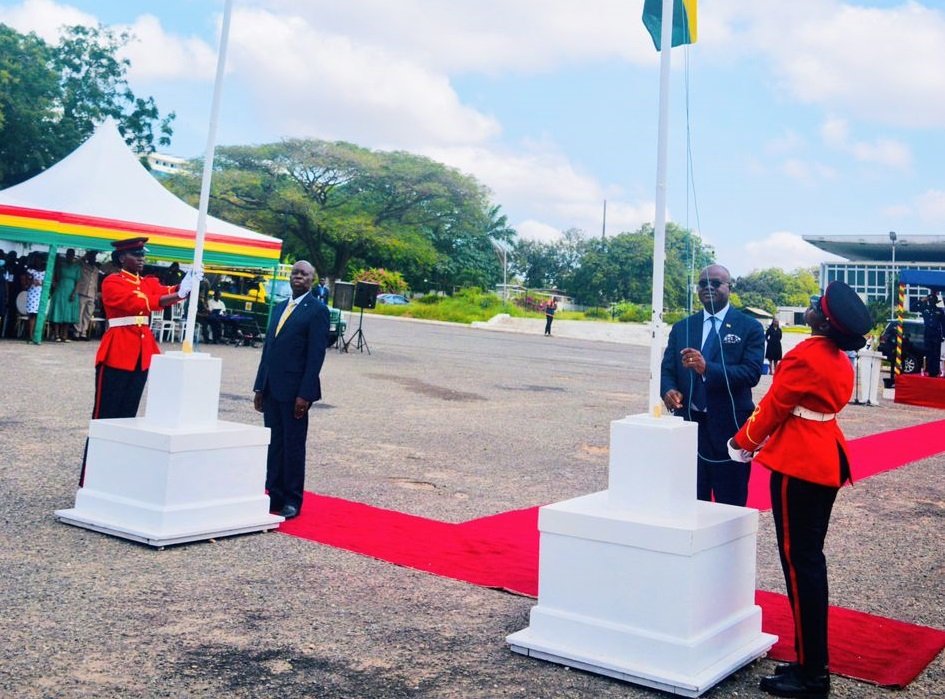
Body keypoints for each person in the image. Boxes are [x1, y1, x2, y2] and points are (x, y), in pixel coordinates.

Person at [727, 281, 872, 698]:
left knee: (801, 565)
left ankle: (812, 675)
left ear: (824, 322)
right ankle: (811, 661)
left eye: (816, 307)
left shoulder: (808, 354)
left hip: (801, 464)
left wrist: (742, 443)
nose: (810, 308)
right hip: (825, 456)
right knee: (808, 562)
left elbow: (774, 405)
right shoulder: (838, 357)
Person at [79, 237, 198, 485]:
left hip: (139, 355)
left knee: (127, 418)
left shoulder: (145, 282)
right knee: (105, 417)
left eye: (143, 254)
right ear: (122, 258)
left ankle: (116, 475)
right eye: (136, 254)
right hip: (117, 352)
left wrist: (184, 286)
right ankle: (91, 479)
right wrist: (178, 293)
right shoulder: (113, 281)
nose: (142, 258)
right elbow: (141, 303)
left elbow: (162, 292)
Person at [660, 264, 765, 506]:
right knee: (688, 501)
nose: (708, 287)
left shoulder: (749, 327)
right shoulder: (683, 327)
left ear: (729, 287)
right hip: (688, 426)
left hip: (730, 428)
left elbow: (751, 374)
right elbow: (667, 370)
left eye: (715, 283)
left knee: (730, 503)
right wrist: (668, 390)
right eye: (703, 283)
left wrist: (708, 368)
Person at [253, 261, 330, 519]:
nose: (298, 276)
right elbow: (269, 350)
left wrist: (306, 394)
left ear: (312, 279)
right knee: (274, 444)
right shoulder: (278, 308)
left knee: (293, 446)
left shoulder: (317, 310)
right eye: (295, 273)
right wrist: (259, 386)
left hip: (295, 390)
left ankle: (292, 499)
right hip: (272, 388)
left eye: (304, 274)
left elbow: (315, 356)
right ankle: (273, 493)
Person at [48, 248, 82, 342]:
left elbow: (78, 281)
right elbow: (55, 277)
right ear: (66, 255)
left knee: (68, 312)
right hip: (60, 289)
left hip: (71, 290)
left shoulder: (77, 267)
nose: (69, 256)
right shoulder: (61, 265)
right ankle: (56, 334)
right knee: (58, 311)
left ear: (73, 255)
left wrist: (74, 293)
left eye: (71, 254)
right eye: (68, 254)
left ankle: (65, 335)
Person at [74, 250, 101, 340]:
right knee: (79, 313)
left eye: (94, 257)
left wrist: (96, 294)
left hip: (92, 294)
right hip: (82, 292)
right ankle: (77, 332)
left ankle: (84, 332)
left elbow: (96, 282)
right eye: (91, 257)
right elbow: (76, 262)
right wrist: (85, 256)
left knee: (88, 314)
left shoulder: (96, 269)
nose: (93, 259)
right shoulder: (82, 266)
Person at [917, 291, 944, 377]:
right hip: (928, 333)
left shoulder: (939, 311)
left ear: (936, 302)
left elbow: (944, 324)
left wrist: (943, 335)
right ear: (928, 301)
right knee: (928, 353)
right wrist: (921, 300)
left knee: (936, 353)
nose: (931, 302)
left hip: (936, 333)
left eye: (933, 301)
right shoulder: (925, 309)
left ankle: (935, 372)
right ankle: (928, 370)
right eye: (930, 300)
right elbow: (912, 307)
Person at [24, 253, 46, 343]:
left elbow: (51, 283)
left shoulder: (46, 271)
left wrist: (42, 283)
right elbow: (26, 283)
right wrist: (32, 280)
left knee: (40, 315)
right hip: (32, 294)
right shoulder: (30, 270)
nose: (38, 262)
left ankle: (38, 335)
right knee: (32, 315)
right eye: (36, 260)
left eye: (40, 260)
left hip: (42, 294)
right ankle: (30, 335)